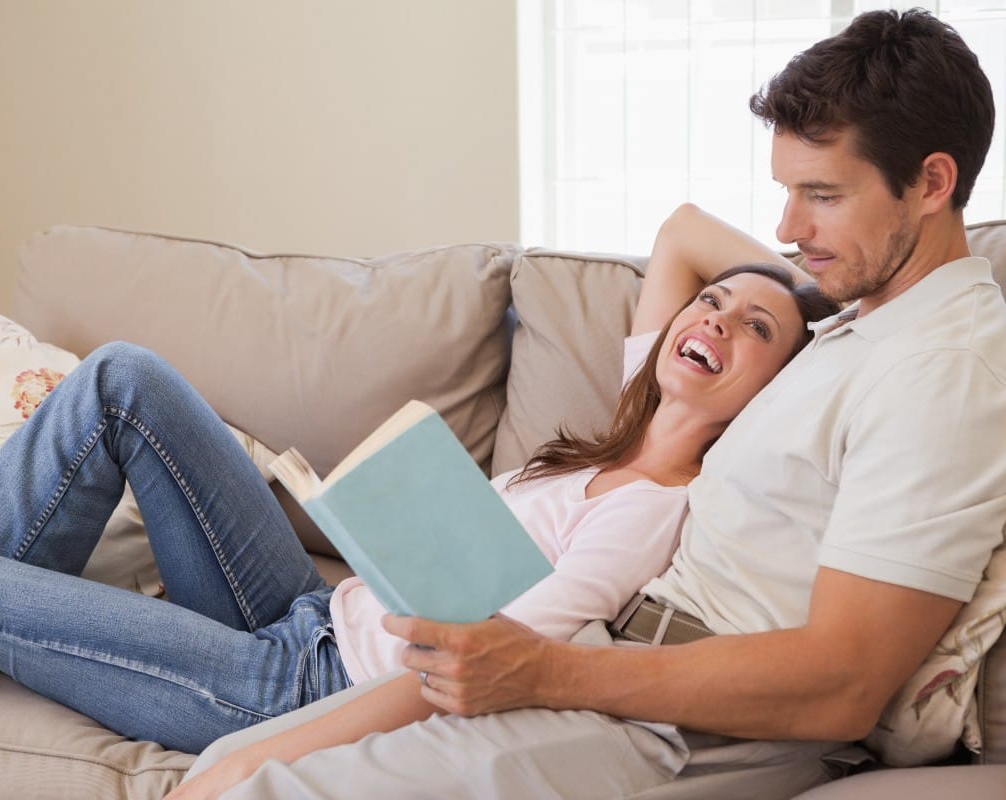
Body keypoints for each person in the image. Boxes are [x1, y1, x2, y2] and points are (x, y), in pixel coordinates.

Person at [170, 8, 1006, 799]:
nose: (788, 229)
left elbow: (844, 684)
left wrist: (548, 670)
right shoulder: (863, 322)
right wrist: (791, 287)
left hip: (686, 723)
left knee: (262, 790)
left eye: (821, 195)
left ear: (932, 183)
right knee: (225, 764)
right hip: (609, 661)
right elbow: (732, 267)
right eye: (786, 192)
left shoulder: (945, 370)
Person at [0, 265, 831, 753]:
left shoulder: (653, 508)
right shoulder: (618, 427)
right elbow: (682, 236)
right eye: (711, 305)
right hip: (304, 605)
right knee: (124, 380)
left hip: (298, 685)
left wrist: (268, 747)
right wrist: (779, 287)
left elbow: (499, 664)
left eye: (757, 331)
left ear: (774, 388)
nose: (716, 321)